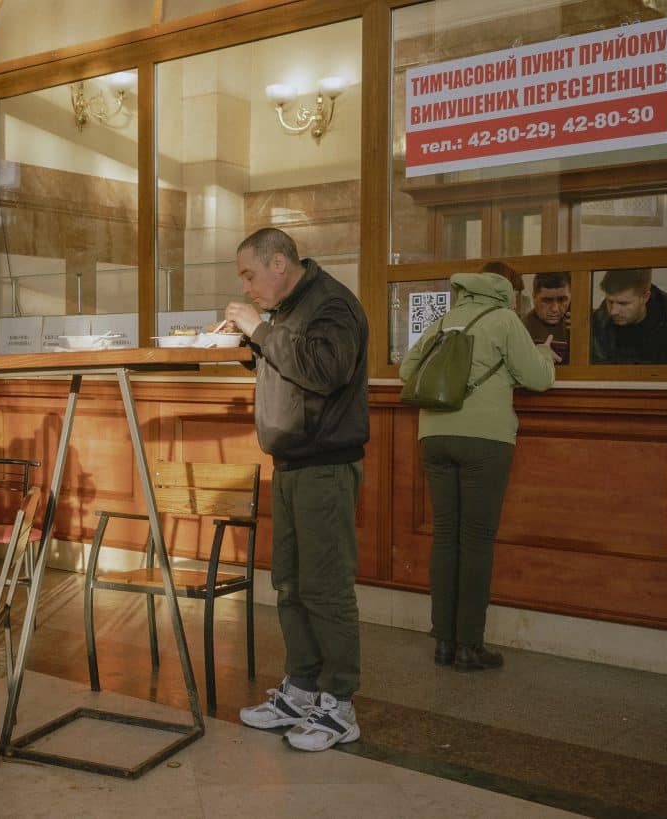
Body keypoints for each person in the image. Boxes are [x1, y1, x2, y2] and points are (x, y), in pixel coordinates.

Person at [226, 228, 369, 752]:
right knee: (289, 583)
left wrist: (261, 329)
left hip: (325, 466)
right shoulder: (287, 310)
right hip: (290, 463)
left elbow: (326, 371)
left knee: (326, 587)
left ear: (280, 263)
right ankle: (303, 688)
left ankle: (340, 705)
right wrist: (250, 342)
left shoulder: (333, 304)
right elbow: (287, 367)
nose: (246, 286)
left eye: (249, 274)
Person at [399, 261, 555, 672]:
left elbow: (406, 371)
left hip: (433, 436)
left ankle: (443, 644)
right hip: (485, 441)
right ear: (509, 290)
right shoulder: (504, 319)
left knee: (446, 537)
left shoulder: (445, 320)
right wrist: (542, 352)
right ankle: (470, 645)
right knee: (477, 541)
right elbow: (538, 378)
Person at [591, 268, 667, 364]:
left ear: (645, 297)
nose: (613, 312)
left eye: (623, 303)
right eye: (610, 301)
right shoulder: (595, 325)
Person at [523, 272, 571, 364]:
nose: (555, 309)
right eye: (547, 300)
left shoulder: (583, 322)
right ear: (534, 297)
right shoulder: (521, 328)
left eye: (562, 299)